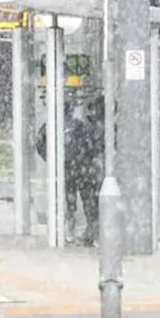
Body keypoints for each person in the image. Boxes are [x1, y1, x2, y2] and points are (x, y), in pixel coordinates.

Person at [37, 96, 106, 245]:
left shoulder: (49, 126)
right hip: (81, 169)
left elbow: (39, 144)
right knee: (86, 200)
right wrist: (86, 158)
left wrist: (51, 159)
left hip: (66, 168)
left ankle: (69, 230)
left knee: (69, 200)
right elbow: (89, 143)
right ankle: (90, 230)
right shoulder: (78, 125)